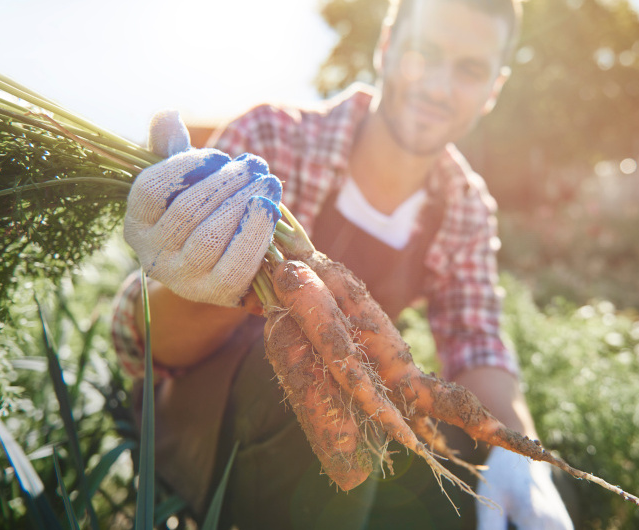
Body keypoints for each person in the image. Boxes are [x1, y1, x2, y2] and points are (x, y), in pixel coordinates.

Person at [113, 0, 574, 528]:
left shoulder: (462, 205)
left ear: (494, 87)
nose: (440, 87)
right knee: (327, 391)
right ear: (385, 48)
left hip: (346, 442)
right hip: (202, 423)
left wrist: (516, 453)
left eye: (469, 70)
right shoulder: (273, 139)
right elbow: (142, 338)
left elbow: (477, 341)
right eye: (425, 54)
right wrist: (196, 272)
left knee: (501, 481)